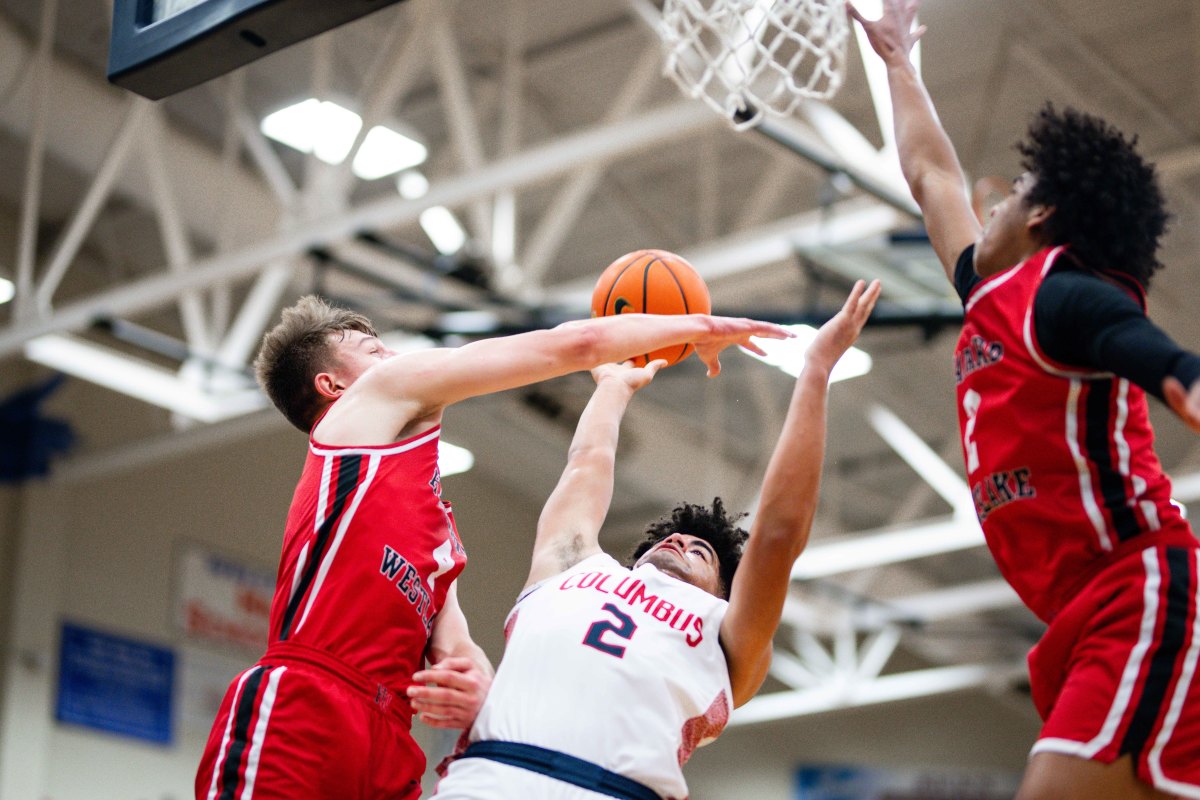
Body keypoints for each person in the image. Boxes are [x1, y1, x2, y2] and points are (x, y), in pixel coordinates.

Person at [194, 294, 792, 800]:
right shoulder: (362, 414)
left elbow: (459, 654)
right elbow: (573, 344)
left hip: (390, 736)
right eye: (371, 349)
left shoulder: (439, 531)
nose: (393, 354)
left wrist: (477, 690)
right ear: (335, 384)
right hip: (309, 698)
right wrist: (700, 326)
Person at [851, 2, 1200, 798]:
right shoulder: (990, 291)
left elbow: (1170, 364)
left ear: (1042, 214)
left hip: (1140, 587)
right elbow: (930, 174)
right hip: (1080, 616)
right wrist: (901, 65)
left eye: (1012, 194)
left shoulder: (1067, 299)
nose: (991, 201)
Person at [426, 280, 880, 800]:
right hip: (488, 780)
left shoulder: (730, 637)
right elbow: (586, 465)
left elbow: (779, 534)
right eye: (672, 539)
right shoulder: (575, 568)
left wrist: (816, 370)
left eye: (701, 551)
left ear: (725, 593)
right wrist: (612, 388)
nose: (680, 543)